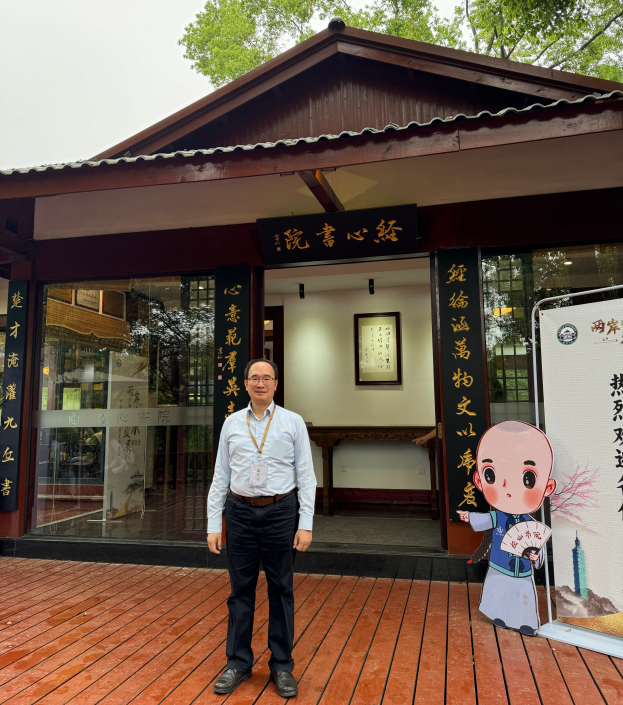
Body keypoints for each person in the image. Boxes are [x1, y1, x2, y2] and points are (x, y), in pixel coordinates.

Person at [207, 359, 317, 696]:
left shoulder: (292, 422)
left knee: (281, 589)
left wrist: (306, 523)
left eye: (266, 378)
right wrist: (214, 524)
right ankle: (238, 662)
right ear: (245, 384)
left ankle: (281, 665)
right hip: (239, 512)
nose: (260, 383)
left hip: (281, 512)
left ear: (276, 384)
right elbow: (220, 475)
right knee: (240, 590)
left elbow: (306, 475)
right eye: (254, 377)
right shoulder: (231, 423)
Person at [457, 420, 556, 635]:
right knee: (499, 590)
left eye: (528, 479)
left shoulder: (531, 525)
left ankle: (526, 622)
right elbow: (485, 520)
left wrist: (536, 556)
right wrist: (469, 517)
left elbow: (537, 548)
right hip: (499, 565)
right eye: (491, 476)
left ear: (547, 487)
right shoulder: (498, 516)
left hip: (522, 571)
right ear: (479, 481)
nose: (508, 487)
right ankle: (499, 615)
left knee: (523, 594)